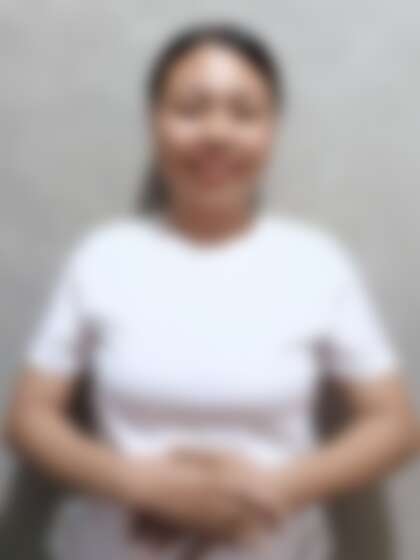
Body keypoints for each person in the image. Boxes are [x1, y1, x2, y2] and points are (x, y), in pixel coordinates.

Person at [4, 22, 419, 560]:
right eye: (190, 109)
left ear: (272, 129)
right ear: (154, 122)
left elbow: (395, 426)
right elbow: (28, 419)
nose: (217, 132)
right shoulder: (103, 257)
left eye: (244, 112)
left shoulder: (317, 263)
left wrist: (273, 489)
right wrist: (143, 485)